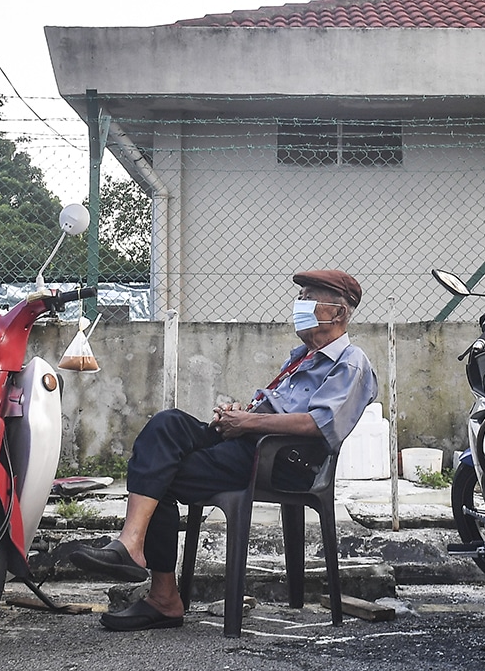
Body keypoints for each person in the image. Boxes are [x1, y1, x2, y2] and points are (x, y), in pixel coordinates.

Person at [71, 270, 378, 632]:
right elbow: (276, 409)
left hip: (282, 460)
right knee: (167, 425)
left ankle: (162, 594)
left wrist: (249, 424)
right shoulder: (302, 356)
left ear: (338, 314)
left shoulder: (351, 362)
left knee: (156, 472)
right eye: (300, 299)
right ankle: (132, 545)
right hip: (250, 442)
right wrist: (240, 415)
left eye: (309, 299)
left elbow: (318, 424)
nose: (300, 306)